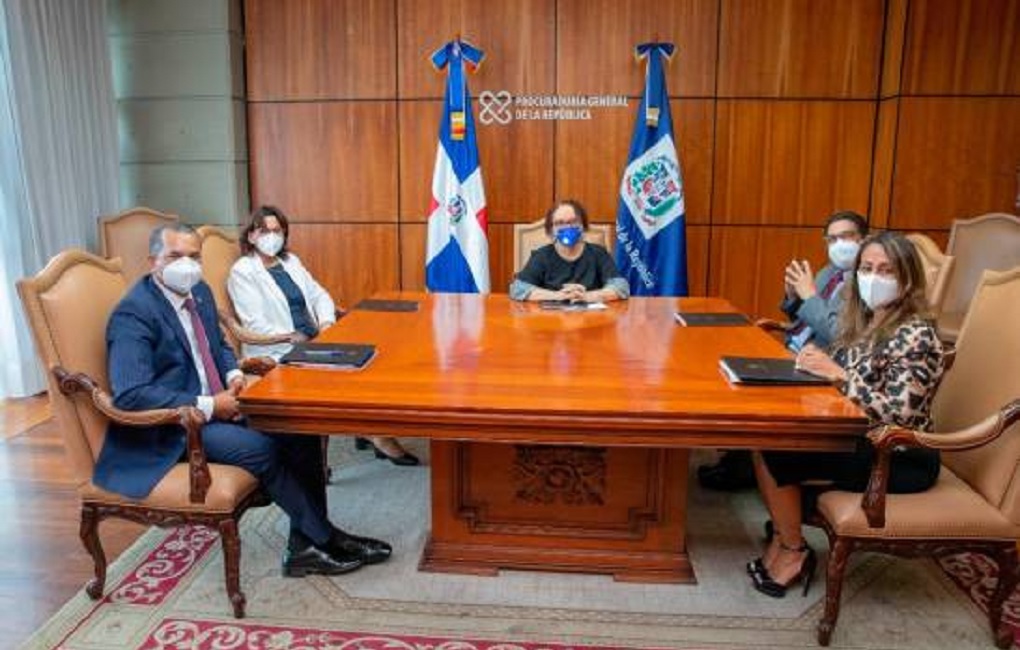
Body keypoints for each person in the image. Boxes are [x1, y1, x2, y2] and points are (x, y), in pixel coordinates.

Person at [94, 223, 392, 578]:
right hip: (172, 427)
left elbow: (219, 344)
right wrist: (209, 404)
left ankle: (306, 547)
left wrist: (233, 374)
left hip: (219, 404)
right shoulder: (134, 314)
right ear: (152, 261)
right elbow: (131, 393)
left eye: (194, 257)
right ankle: (326, 538)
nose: (186, 265)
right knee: (260, 448)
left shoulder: (198, 291)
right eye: (175, 256)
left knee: (300, 429)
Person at [747, 231, 944, 598]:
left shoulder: (916, 333)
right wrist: (815, 363)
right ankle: (783, 535)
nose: (873, 278)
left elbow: (899, 413)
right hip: (856, 435)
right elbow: (843, 375)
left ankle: (793, 550)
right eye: (866, 269)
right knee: (766, 437)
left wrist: (839, 375)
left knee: (777, 449)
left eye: (886, 270)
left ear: (908, 279)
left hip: (899, 454)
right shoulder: (864, 320)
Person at [227, 205, 419, 466]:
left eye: (277, 231)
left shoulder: (290, 262)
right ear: (251, 236)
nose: (272, 236)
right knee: (348, 370)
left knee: (373, 357)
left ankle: (370, 429)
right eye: (264, 231)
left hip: (315, 339)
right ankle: (373, 435)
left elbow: (319, 295)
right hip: (280, 347)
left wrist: (327, 324)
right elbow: (255, 325)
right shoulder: (243, 271)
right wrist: (293, 338)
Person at [699, 211, 869, 492]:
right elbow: (806, 318)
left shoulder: (864, 284)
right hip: (793, 348)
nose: (839, 244)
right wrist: (792, 297)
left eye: (846, 237)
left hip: (821, 363)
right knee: (725, 365)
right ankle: (741, 458)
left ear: (864, 239)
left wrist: (809, 295)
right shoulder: (829, 272)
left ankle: (745, 468)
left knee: (750, 390)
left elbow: (840, 334)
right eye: (832, 239)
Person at [509, 199, 630, 302]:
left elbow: (621, 287)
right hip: (550, 319)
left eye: (573, 221)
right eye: (559, 223)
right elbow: (518, 289)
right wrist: (558, 296)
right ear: (551, 230)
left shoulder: (598, 253)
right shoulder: (542, 256)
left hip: (592, 318)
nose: (567, 227)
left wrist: (588, 296)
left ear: (583, 226)